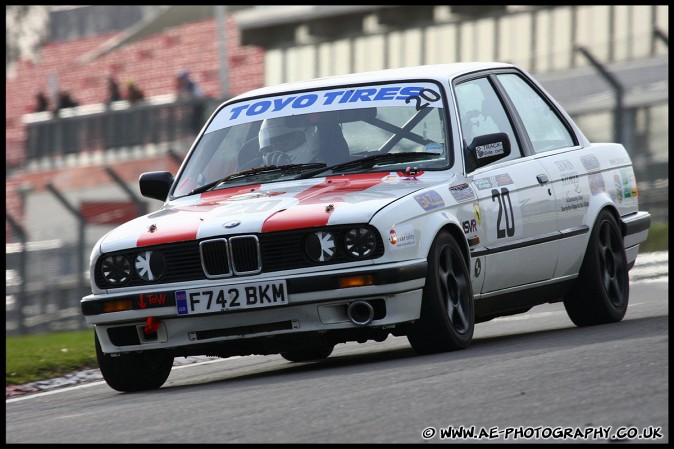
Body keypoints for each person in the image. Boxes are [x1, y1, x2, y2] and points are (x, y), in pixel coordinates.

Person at [175, 69, 205, 135]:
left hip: (197, 107)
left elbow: (198, 96)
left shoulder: (192, 84)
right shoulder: (181, 86)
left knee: (197, 123)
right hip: (188, 109)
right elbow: (178, 97)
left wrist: (187, 95)